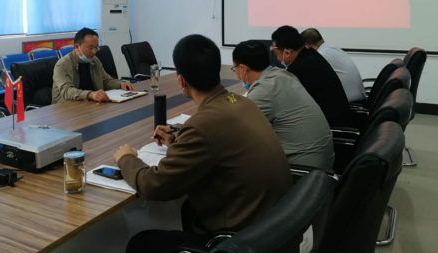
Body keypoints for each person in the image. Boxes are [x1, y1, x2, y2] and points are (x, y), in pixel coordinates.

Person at [114, 34, 292, 253]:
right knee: (189, 209)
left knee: (140, 244)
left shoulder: (201, 125)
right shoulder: (242, 102)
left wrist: (126, 159)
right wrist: (177, 139)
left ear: (181, 80)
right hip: (273, 222)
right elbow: (216, 140)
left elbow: (154, 185)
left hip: (245, 238)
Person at [232, 40, 334, 170]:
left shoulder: (264, 90)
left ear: (242, 68)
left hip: (302, 171)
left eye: (234, 69)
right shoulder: (283, 75)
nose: (236, 74)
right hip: (321, 163)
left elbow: (235, 133)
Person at [271, 25, 353, 127]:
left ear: (287, 53)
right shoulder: (310, 54)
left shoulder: (299, 69)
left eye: (276, 54)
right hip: (339, 119)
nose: (277, 59)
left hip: (331, 127)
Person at [51, 28, 135, 103]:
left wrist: (120, 84)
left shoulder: (94, 60)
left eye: (96, 47)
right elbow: (67, 91)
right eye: (90, 48)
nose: (94, 52)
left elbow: (106, 81)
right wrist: (90, 94)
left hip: (89, 104)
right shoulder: (62, 65)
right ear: (77, 46)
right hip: (65, 108)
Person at [301, 28, 366, 103]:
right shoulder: (333, 48)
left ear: (307, 46)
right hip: (359, 98)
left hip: (349, 103)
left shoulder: (322, 55)